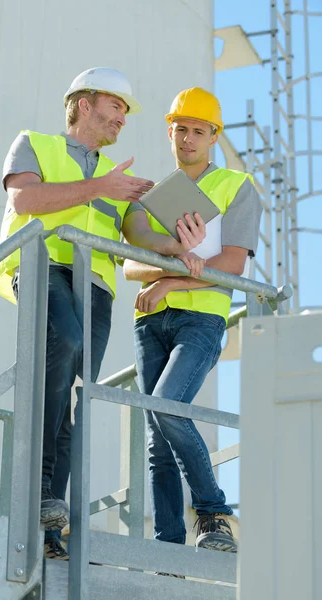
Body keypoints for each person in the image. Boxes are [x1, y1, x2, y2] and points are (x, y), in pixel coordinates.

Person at [0, 68, 205, 560]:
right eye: (117, 108)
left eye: (126, 113)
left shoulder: (119, 178)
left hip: (97, 287)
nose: (122, 120)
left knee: (75, 393)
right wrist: (99, 187)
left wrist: (178, 246)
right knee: (64, 341)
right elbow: (23, 198)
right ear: (85, 103)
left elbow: (140, 236)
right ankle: (43, 490)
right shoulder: (34, 144)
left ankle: (49, 527)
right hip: (41, 263)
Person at [124, 87, 262, 559]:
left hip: (201, 319)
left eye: (198, 131)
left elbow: (230, 264)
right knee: (156, 440)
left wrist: (169, 284)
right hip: (149, 322)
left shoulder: (236, 187)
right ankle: (167, 553)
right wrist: (169, 271)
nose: (188, 139)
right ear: (170, 131)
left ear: (214, 137)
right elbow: (130, 265)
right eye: (181, 129)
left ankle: (212, 511)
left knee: (167, 406)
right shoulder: (152, 195)